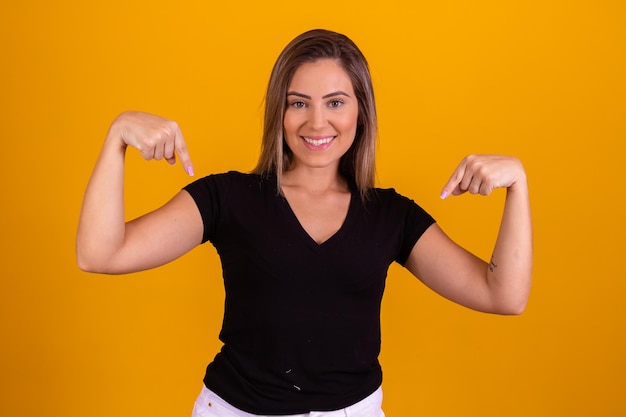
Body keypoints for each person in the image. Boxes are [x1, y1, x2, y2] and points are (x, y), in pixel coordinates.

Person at [76, 29, 532, 417]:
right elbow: (100, 253)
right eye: (299, 103)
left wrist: (518, 185)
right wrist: (117, 136)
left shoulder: (391, 216)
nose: (317, 121)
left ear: (361, 112)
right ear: (280, 110)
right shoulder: (227, 198)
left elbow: (503, 295)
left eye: (336, 102)